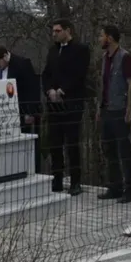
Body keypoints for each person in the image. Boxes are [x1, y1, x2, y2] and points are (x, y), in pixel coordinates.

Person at [42, 18, 90, 196]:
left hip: (71, 102)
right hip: (53, 104)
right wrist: (49, 91)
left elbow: (79, 74)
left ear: (67, 30)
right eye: (53, 31)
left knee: (72, 144)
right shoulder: (52, 51)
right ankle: (57, 179)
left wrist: (62, 90)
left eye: (57, 30)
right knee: (55, 143)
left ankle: (75, 181)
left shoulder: (80, 49)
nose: (54, 34)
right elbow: (46, 74)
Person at [96, 25, 131, 204]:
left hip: (120, 109)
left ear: (110, 38)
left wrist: (129, 108)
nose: (99, 39)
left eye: (101, 35)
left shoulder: (125, 57)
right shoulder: (105, 58)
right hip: (106, 109)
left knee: (124, 151)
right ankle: (115, 186)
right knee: (109, 150)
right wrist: (99, 108)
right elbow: (103, 85)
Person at [0, 45, 43, 171]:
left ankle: (30, 169)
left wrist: (30, 112)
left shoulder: (22, 64)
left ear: (5, 57)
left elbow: (32, 89)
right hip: (0, 111)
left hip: (20, 110)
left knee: (26, 141)